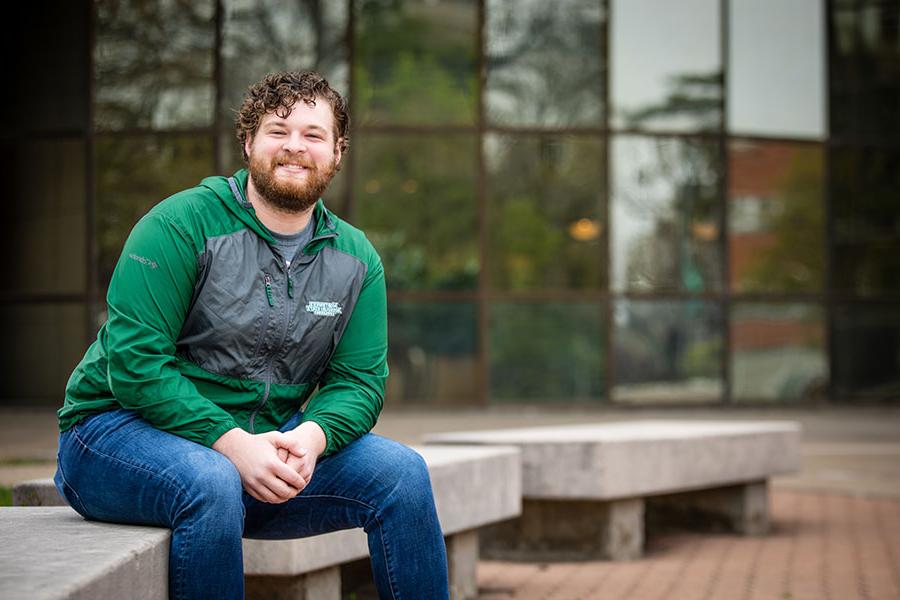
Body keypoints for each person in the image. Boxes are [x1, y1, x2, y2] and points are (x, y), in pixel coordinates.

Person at [54, 70, 450, 600]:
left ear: (337, 153)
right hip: (110, 434)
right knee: (211, 479)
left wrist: (313, 436)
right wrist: (231, 443)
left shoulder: (356, 260)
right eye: (277, 130)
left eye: (313, 135)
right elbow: (135, 366)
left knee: (402, 475)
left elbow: (358, 382)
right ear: (248, 143)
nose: (295, 147)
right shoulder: (179, 225)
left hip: (263, 446)